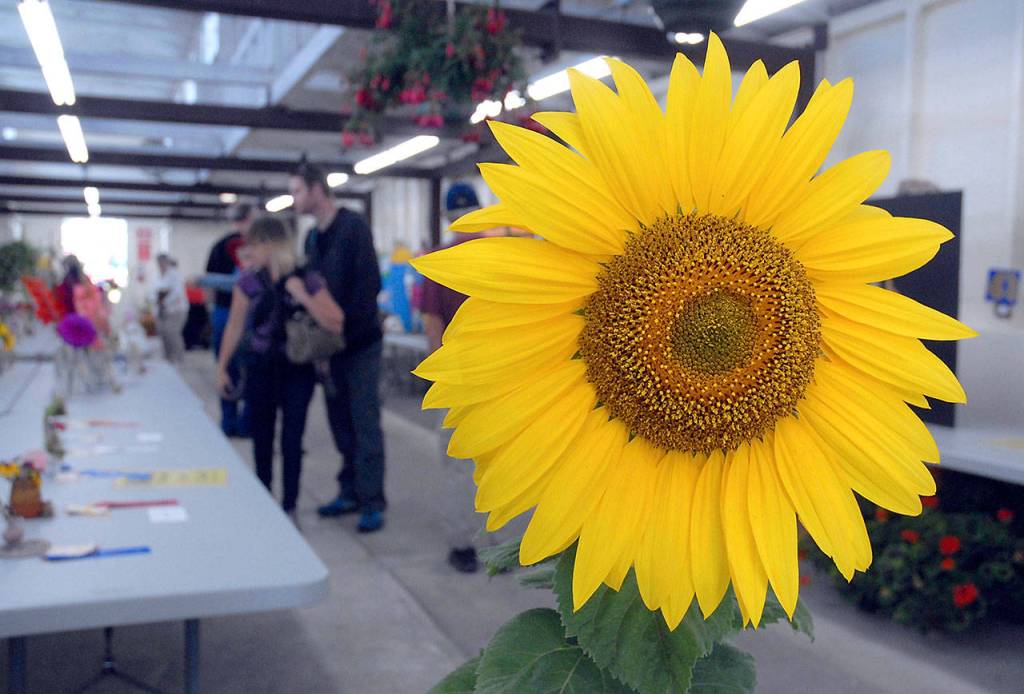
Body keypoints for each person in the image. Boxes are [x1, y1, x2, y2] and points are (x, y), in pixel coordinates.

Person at [216, 216, 344, 524]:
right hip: (260, 367)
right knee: (261, 436)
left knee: (291, 440)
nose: (249, 252)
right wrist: (222, 367)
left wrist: (301, 296)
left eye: (254, 245)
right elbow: (233, 326)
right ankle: (264, 503)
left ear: (270, 244)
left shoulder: (307, 278)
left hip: (297, 369)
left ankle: (290, 506)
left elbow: (336, 321)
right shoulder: (248, 282)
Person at [289, 163, 387, 533]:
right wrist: (323, 347)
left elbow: (368, 288)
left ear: (317, 189)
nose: (295, 199)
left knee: (365, 422)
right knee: (339, 422)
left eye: (297, 191)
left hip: (360, 346)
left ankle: (372, 500)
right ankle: (349, 491)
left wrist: (344, 335)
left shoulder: (353, 228)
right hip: (329, 351)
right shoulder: (312, 239)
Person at [420, 182, 507, 573]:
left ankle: (463, 546)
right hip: (503, 375)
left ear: (446, 218)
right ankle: (502, 548)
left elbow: (432, 326)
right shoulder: (500, 256)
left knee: (459, 465)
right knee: (503, 464)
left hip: (457, 376)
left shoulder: (438, 263)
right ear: (479, 210)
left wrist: (441, 372)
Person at [205, 203, 253, 437]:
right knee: (250, 369)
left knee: (226, 367)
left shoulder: (218, 247)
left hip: (223, 312)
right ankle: (246, 423)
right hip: (247, 315)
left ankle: (228, 421)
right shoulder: (254, 247)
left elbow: (209, 287)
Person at [154, 253, 188, 363]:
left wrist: (164, 301)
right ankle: (168, 358)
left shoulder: (174, 274)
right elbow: (156, 292)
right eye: (159, 263)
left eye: (163, 262)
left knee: (172, 333)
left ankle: (179, 358)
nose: (161, 264)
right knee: (163, 333)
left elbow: (177, 292)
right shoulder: (160, 276)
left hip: (176, 309)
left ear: (167, 262)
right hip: (164, 310)